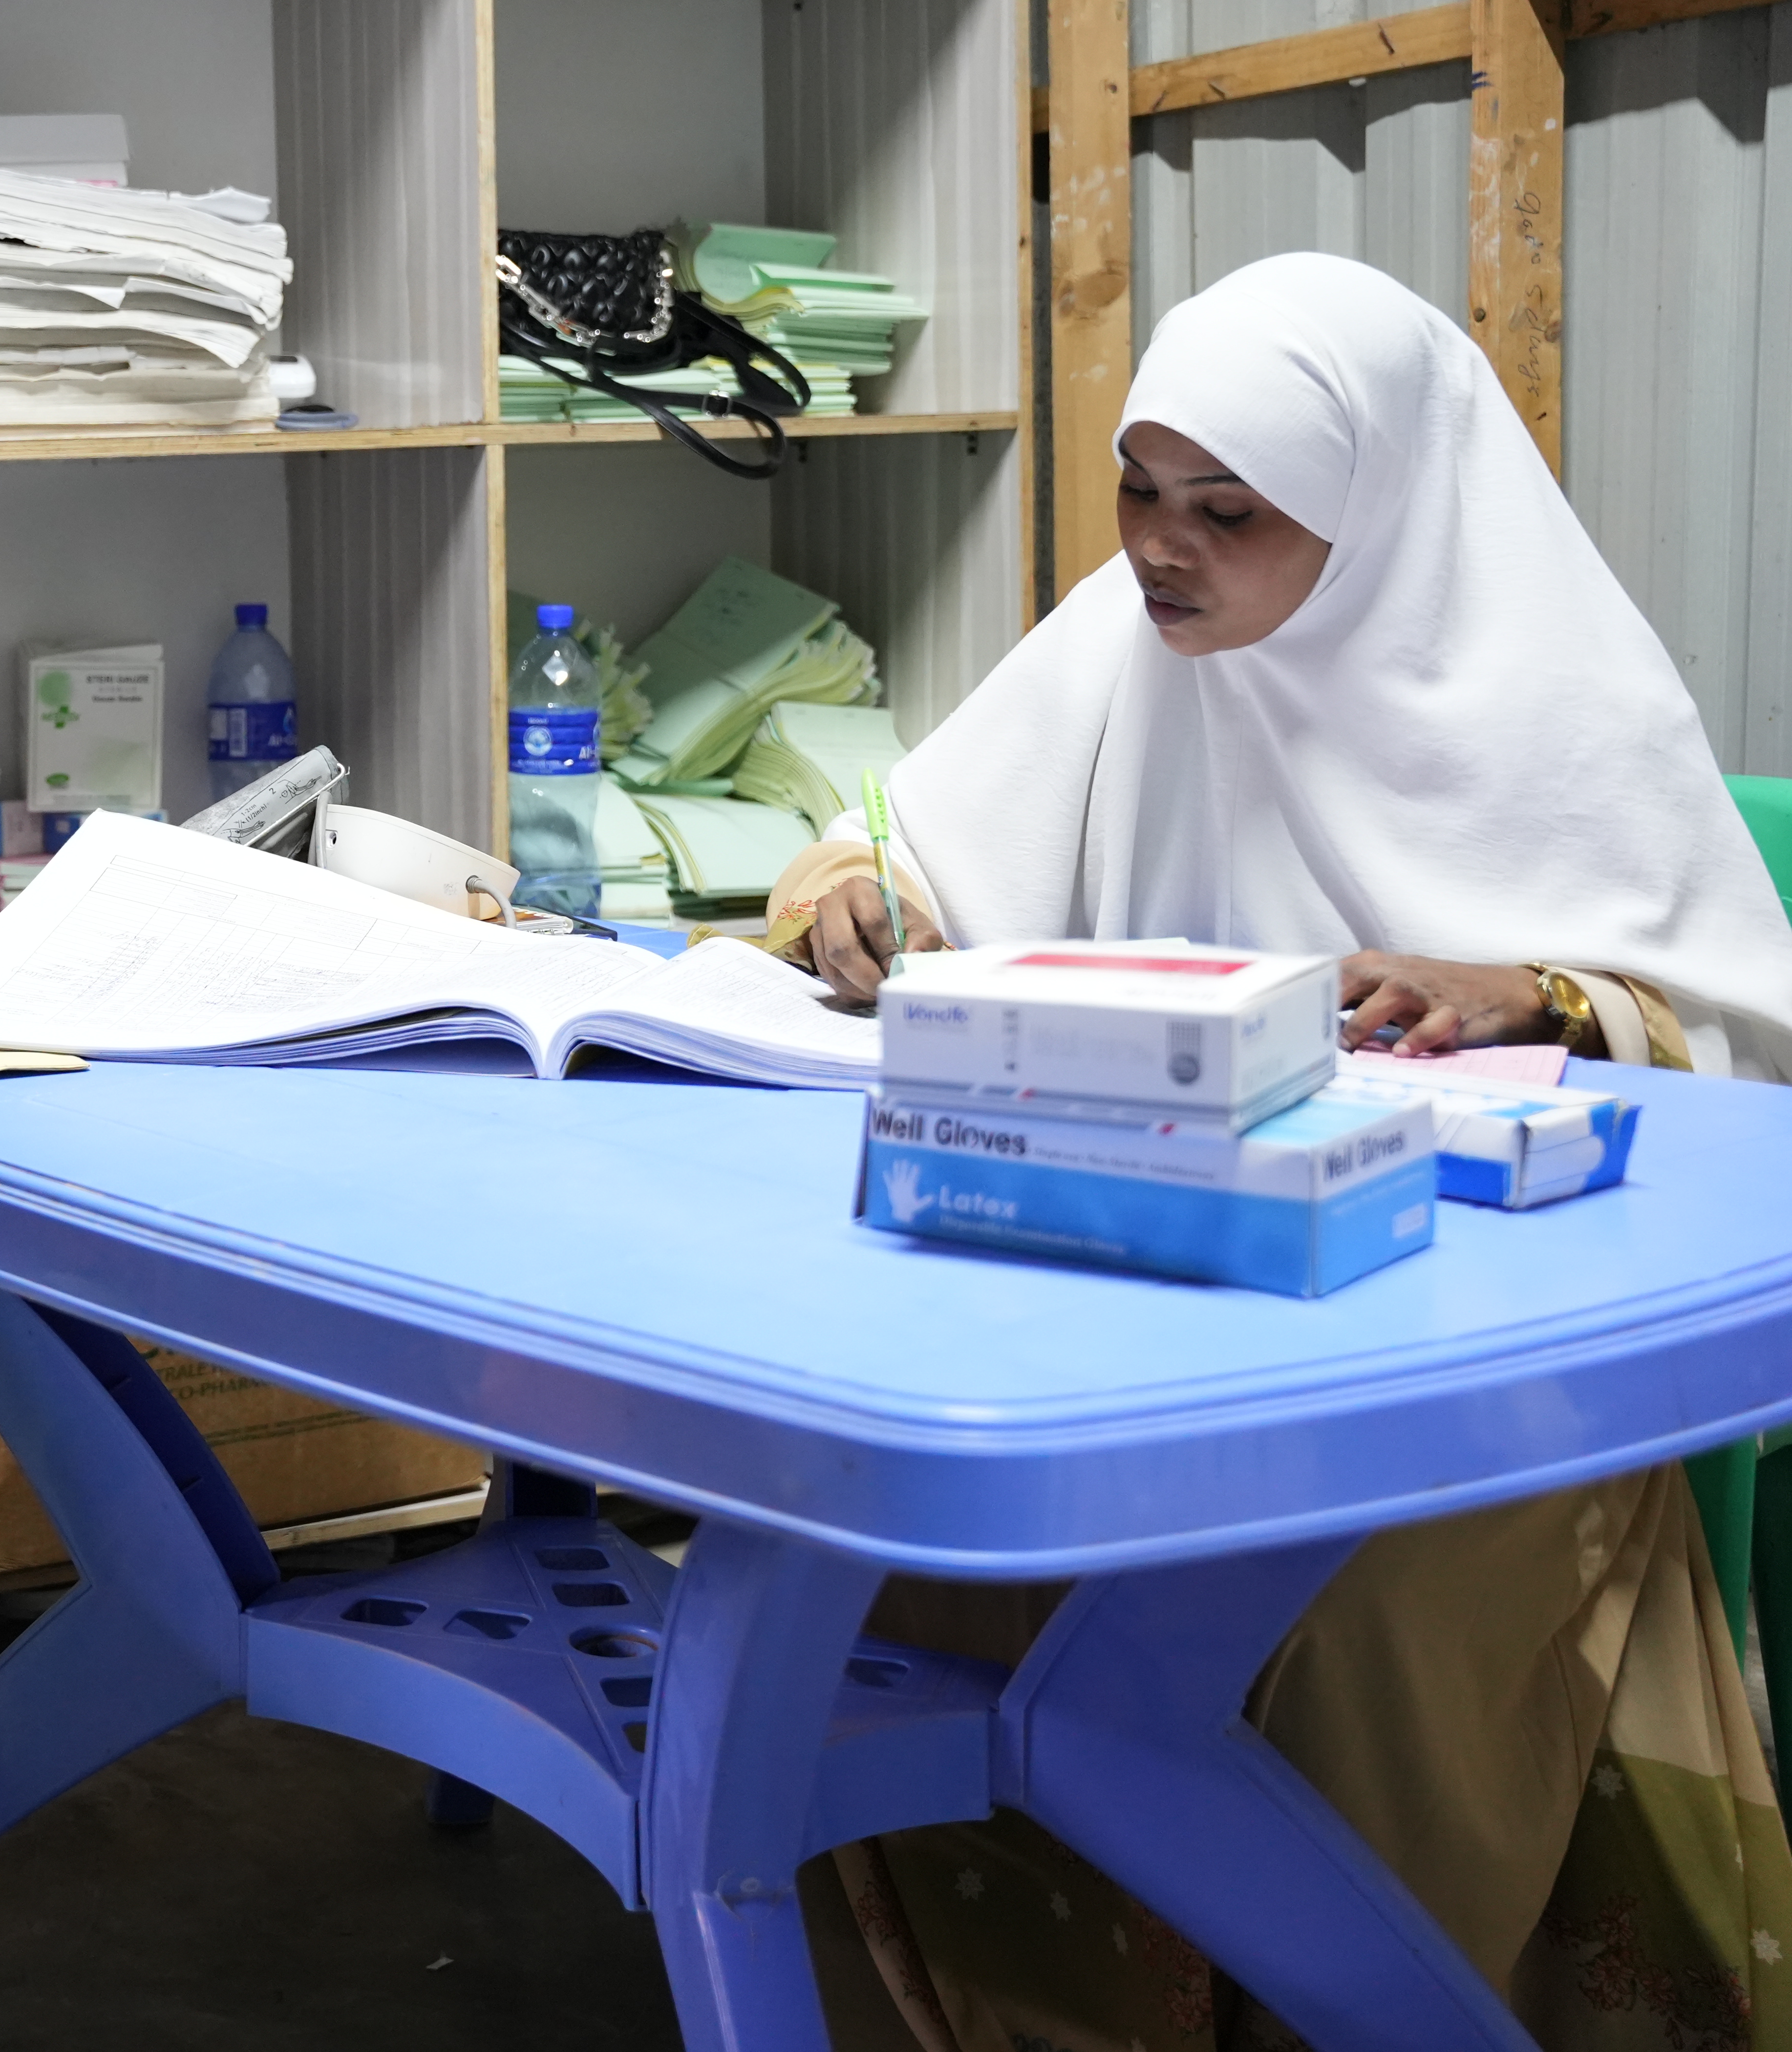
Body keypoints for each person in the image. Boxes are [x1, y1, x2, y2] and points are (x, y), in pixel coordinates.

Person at [767, 254, 1792, 2051]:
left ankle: (1343, 2000)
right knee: (902, 1524)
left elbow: (1746, 1042)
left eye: (1225, 511)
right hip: (1144, 1286)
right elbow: (905, 836)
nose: (1160, 549)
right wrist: (858, 893)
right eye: (1136, 491)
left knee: (1332, 1613)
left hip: (1475, 1349)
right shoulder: (1127, 640)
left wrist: (1541, 990)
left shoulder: (1556, 706)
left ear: (1371, 511)